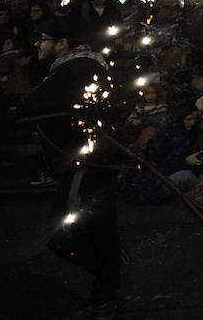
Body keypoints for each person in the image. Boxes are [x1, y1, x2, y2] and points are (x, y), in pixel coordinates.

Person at [14, 26, 123, 318]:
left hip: (84, 163)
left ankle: (106, 291)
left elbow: (29, 105)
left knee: (65, 233)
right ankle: (106, 290)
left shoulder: (71, 69)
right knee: (95, 229)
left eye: (45, 40)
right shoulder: (90, 65)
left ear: (62, 43)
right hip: (93, 159)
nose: (39, 44)